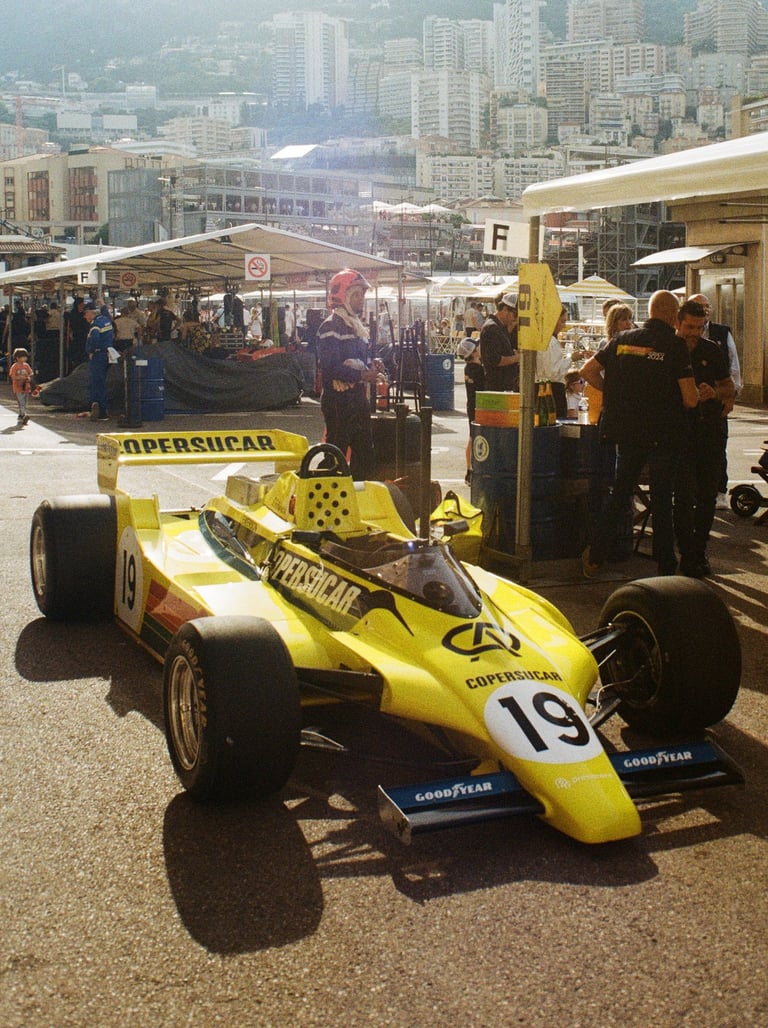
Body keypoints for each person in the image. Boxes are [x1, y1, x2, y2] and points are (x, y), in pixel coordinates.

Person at [580, 290, 699, 578]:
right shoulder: (674, 345)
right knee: (661, 498)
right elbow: (690, 399)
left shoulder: (623, 340)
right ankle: (666, 565)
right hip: (663, 433)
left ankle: (595, 556)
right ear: (673, 315)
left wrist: (615, 392)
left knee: (620, 493)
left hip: (627, 431)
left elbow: (587, 371)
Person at [673, 300, 735, 578]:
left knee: (707, 495)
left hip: (710, 430)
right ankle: (687, 554)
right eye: (689, 327)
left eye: (699, 328)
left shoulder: (712, 350)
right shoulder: (670, 351)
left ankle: (699, 550)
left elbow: (728, 388)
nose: (694, 333)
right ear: (678, 323)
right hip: (681, 432)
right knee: (684, 496)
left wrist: (716, 393)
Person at [316, 268, 381, 481]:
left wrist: (373, 365)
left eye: (362, 294)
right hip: (338, 402)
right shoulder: (330, 326)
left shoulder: (357, 327)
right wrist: (362, 375)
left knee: (366, 455)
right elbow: (329, 367)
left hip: (357, 398)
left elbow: (362, 359)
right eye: (356, 295)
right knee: (335, 457)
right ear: (341, 297)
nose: (361, 299)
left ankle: (361, 502)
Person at [688, 292, 741, 509]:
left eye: (707, 306)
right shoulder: (682, 338)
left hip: (716, 400)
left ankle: (720, 490)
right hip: (691, 406)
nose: (705, 310)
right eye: (700, 306)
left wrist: (730, 397)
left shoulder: (721, 333)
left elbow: (733, 365)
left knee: (717, 449)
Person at [457, 332, 484, 485]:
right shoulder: (476, 369)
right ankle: (471, 470)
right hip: (477, 406)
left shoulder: (469, 368)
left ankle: (470, 469)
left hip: (471, 405)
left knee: (472, 436)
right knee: (475, 437)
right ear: (473, 352)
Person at [479, 292, 519, 391]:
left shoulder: (500, 327)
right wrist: (517, 358)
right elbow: (495, 360)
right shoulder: (492, 328)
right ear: (505, 310)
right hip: (497, 386)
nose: (516, 318)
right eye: (515, 314)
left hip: (503, 385)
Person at [536, 305, 571, 418]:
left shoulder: (543, 339)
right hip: (552, 389)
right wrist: (571, 359)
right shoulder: (550, 342)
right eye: (562, 321)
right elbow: (553, 372)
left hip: (544, 387)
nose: (564, 325)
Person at [85, 302, 114, 421]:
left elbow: (95, 338)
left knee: (97, 382)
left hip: (98, 355)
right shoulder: (106, 320)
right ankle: (100, 408)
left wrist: (91, 350)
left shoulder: (95, 325)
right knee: (101, 381)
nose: (85, 317)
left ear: (91, 313)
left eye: (86, 314)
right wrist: (103, 306)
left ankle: (100, 410)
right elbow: (107, 314)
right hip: (108, 353)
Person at [8, 347, 34, 425]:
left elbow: (31, 373)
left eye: (25, 357)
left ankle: (21, 414)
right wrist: (19, 377)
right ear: (17, 358)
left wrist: (28, 377)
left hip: (26, 386)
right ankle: (24, 415)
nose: (25, 358)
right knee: (21, 401)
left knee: (25, 401)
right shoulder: (15, 366)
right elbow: (12, 376)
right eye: (23, 357)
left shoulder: (26, 366)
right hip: (18, 387)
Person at [66, 296, 89, 372]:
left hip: (84, 337)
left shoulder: (83, 313)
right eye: (82, 304)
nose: (83, 306)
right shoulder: (73, 314)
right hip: (77, 338)